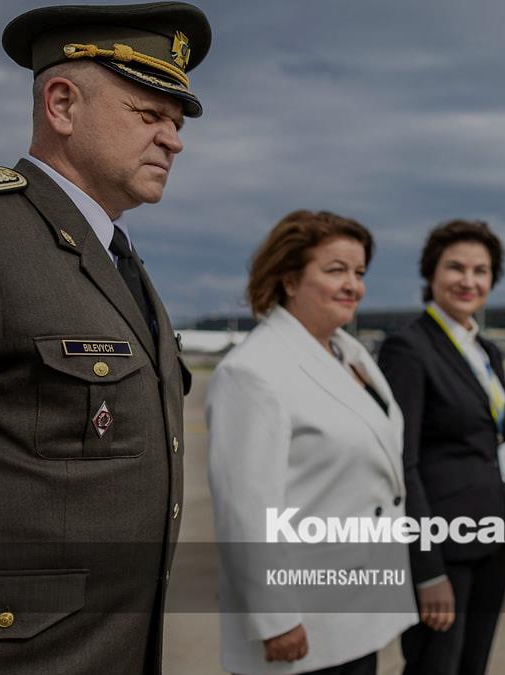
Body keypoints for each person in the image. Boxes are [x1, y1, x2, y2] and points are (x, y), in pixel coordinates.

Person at [0, 3, 208, 672]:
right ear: (62, 104)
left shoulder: (117, 260)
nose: (173, 141)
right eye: (149, 115)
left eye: (177, 124)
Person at [206, 210, 417, 675]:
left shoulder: (350, 354)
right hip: (303, 617)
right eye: (336, 270)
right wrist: (275, 619)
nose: (353, 285)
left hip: (356, 607)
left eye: (359, 272)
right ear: (289, 279)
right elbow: (245, 511)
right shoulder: (253, 372)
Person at [379, 219, 505, 675]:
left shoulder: (487, 351)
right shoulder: (408, 349)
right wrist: (427, 569)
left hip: (493, 537)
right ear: (431, 273)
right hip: (444, 547)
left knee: (473, 665)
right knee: (435, 665)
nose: (468, 281)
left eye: (480, 271)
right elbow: (402, 464)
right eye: (456, 267)